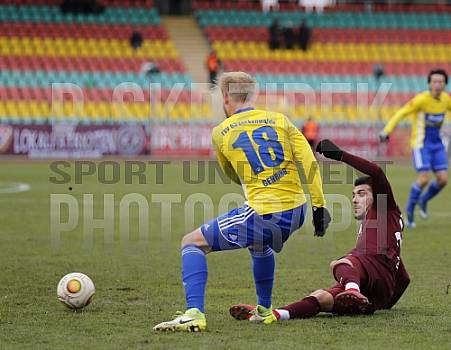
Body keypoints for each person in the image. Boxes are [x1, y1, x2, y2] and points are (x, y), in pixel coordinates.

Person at [153, 72, 331, 332]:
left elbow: (231, 174)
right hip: (297, 211)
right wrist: (319, 206)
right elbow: (309, 163)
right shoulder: (280, 120)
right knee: (259, 245)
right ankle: (264, 311)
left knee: (191, 243)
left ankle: (194, 313)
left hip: (264, 213)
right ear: (251, 95)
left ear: (226, 97)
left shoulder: (220, 132)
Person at [229, 139, 410, 323]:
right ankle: (273, 314)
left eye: (362, 194)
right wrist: (384, 302)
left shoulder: (383, 207)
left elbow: (377, 172)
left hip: (365, 274)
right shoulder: (383, 226)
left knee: (342, 263)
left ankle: (352, 290)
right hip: (372, 287)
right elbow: (403, 278)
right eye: (353, 195)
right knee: (321, 297)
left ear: (378, 195)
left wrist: (340, 155)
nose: (355, 200)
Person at [379, 69, 451, 228]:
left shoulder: (446, 100)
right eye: (434, 81)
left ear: (445, 84)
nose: (438, 85)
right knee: (424, 178)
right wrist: (386, 131)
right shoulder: (421, 100)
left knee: (443, 180)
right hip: (421, 145)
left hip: (437, 145)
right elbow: (401, 113)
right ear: (429, 84)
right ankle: (410, 211)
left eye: (441, 82)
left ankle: (423, 201)